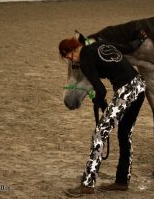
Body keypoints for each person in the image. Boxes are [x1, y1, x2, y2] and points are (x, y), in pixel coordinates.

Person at [59, 32, 147, 195]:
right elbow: (127, 48)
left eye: (69, 57)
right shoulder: (101, 44)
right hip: (140, 86)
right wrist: (140, 40)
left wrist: (99, 102)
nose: (71, 60)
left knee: (99, 135)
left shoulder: (85, 59)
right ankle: (122, 181)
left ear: (72, 51)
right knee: (124, 134)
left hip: (125, 91)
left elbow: (99, 89)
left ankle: (87, 184)